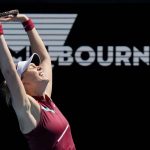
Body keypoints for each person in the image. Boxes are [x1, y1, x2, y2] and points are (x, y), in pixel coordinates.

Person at [0, 11, 76, 150]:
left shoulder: (46, 100)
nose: (39, 67)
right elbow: (9, 72)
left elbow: (45, 58)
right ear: (22, 82)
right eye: (32, 67)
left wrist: (26, 21)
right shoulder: (27, 109)